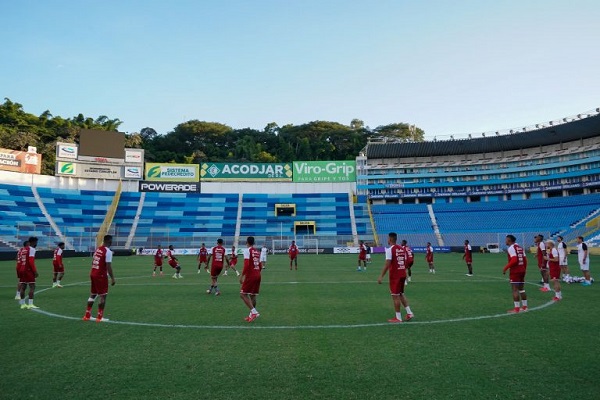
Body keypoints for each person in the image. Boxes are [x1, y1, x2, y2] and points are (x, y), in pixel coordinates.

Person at [377, 232, 414, 323]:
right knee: (401, 293)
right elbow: (406, 261)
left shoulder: (390, 250)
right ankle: (409, 313)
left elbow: (387, 264)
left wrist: (381, 276)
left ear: (390, 239)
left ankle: (398, 318)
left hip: (395, 276)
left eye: (388, 238)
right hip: (402, 274)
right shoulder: (402, 249)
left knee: (395, 296)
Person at [82, 235, 116, 322]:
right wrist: (112, 278)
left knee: (93, 294)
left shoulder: (98, 249)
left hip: (93, 273)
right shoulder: (107, 251)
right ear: (109, 241)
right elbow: (108, 266)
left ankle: (87, 315)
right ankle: (99, 317)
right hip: (101, 275)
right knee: (103, 295)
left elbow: (93, 261)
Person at [502, 235, 528, 313]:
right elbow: (525, 260)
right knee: (522, 289)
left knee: (515, 290)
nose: (505, 241)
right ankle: (525, 307)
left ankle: (516, 309)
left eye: (506, 240)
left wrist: (505, 268)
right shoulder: (520, 248)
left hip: (515, 271)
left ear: (509, 240)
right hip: (522, 270)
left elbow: (514, 260)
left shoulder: (511, 248)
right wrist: (524, 269)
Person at [239, 236, 262, 322]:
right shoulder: (257, 251)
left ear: (247, 242)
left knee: (242, 294)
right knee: (252, 295)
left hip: (251, 275)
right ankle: (251, 315)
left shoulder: (247, 250)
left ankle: (254, 312)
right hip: (258, 274)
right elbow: (260, 265)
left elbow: (246, 265)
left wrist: (241, 276)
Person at [17, 237, 39, 309]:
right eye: (36, 242)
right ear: (33, 242)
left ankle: (23, 304)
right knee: (32, 286)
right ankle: (30, 304)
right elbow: (31, 261)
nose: (36, 244)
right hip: (28, 270)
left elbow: (19, 259)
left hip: (22, 269)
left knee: (23, 287)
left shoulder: (23, 249)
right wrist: (35, 271)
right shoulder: (32, 249)